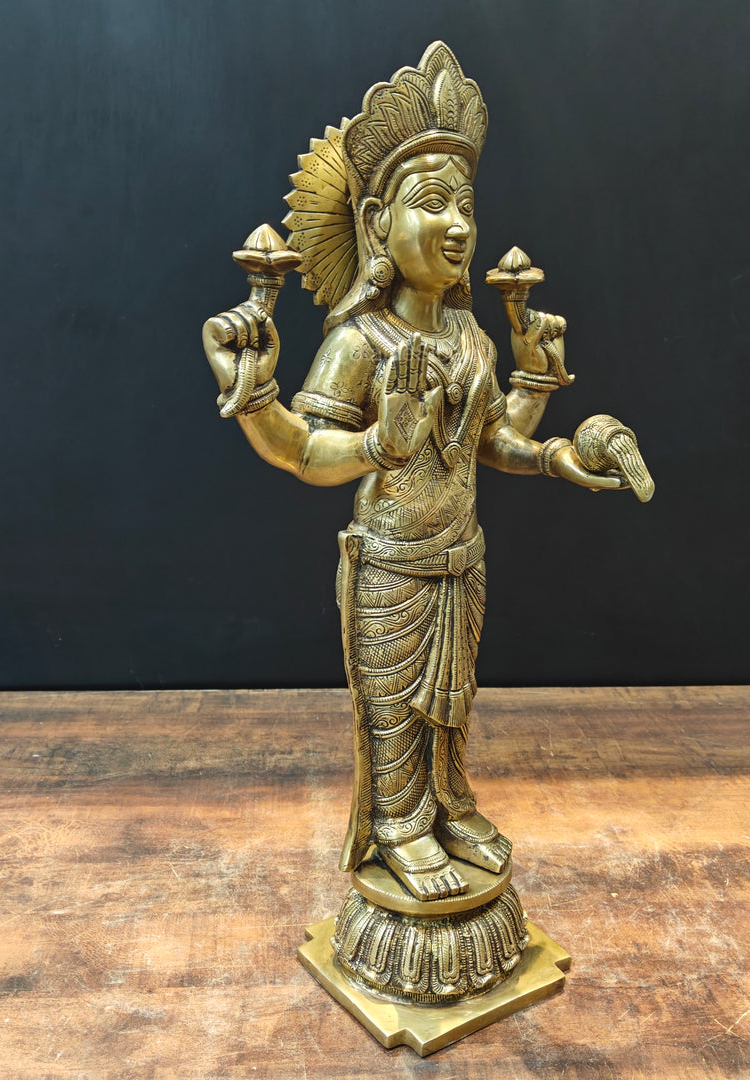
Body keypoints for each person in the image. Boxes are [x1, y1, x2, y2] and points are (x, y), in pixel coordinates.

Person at [203, 42, 624, 904]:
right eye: (432, 204)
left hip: (461, 560)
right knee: (394, 712)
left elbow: (490, 440)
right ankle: (399, 824)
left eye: (465, 205)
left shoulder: (469, 337)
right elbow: (302, 452)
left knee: (453, 704)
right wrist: (299, 415)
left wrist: (556, 448)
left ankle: (448, 805)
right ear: (374, 226)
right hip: (393, 568)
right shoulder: (360, 342)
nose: (459, 226)